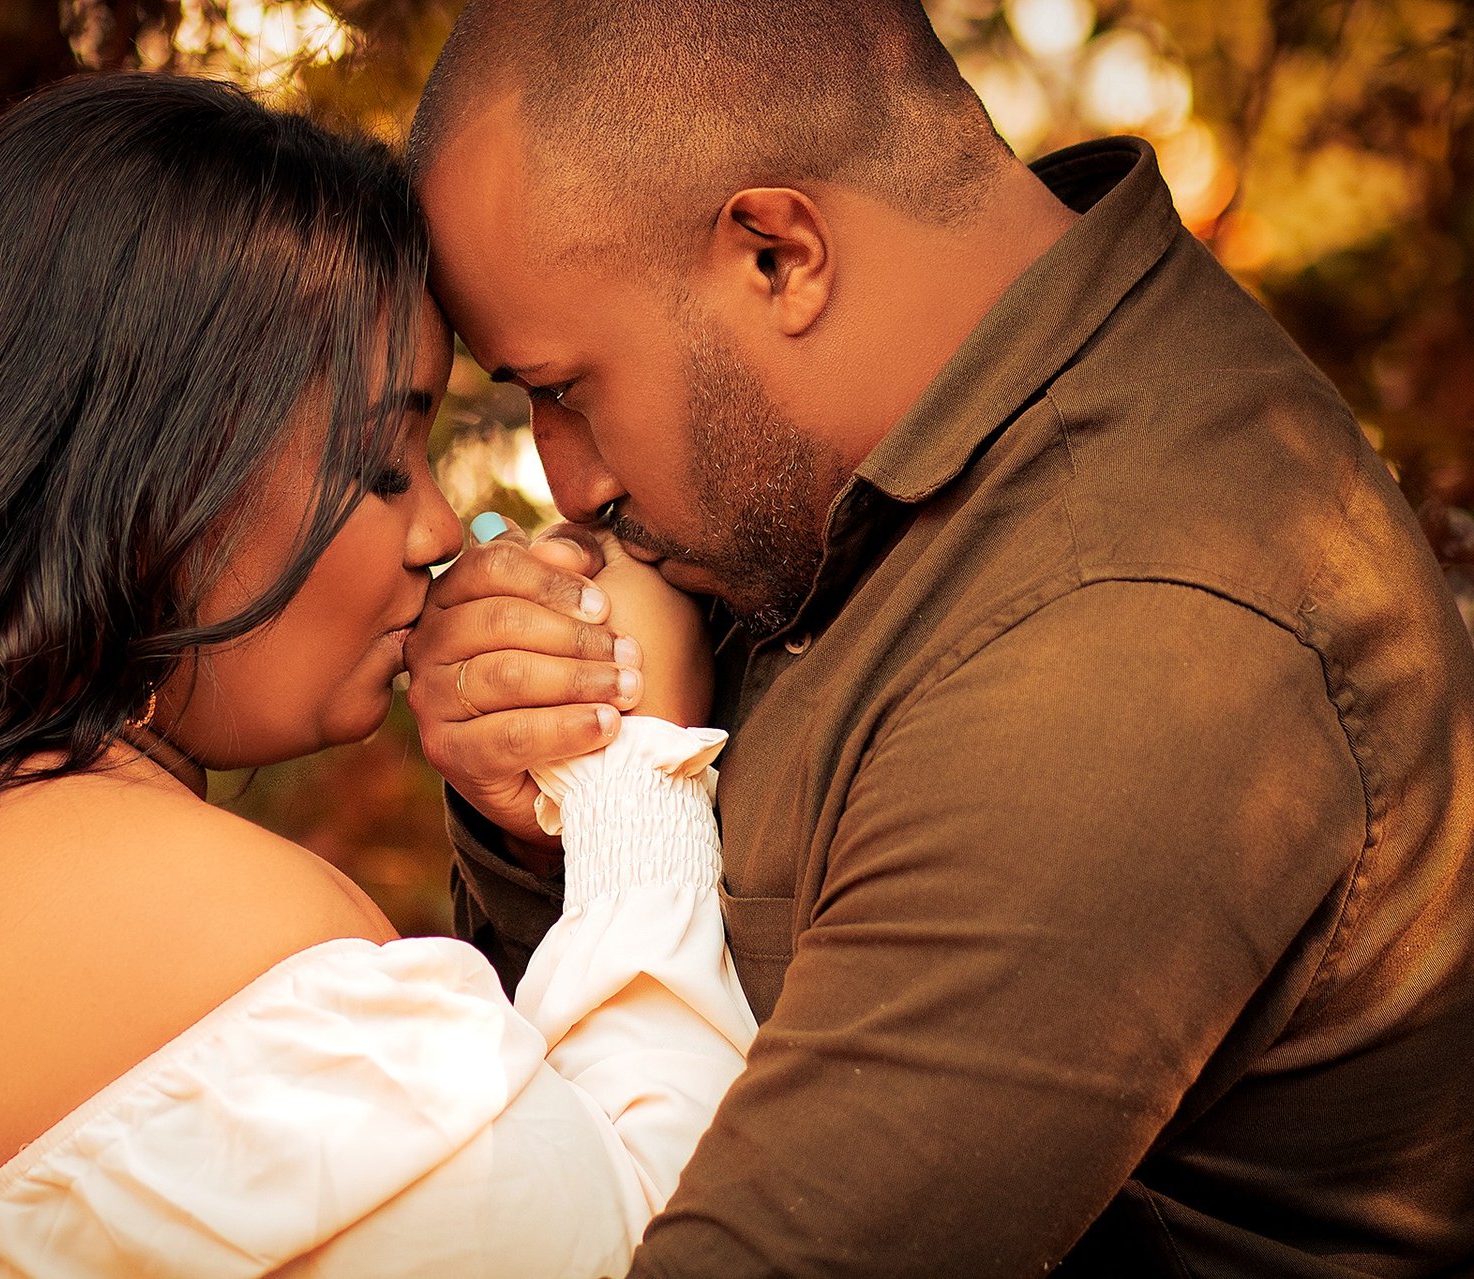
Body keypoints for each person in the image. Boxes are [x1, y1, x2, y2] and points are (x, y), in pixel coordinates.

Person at [0, 72, 758, 1279]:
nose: (442, 529)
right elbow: (672, 1245)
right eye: (381, 460)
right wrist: (627, 760)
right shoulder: (211, 930)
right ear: (163, 475)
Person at [402, 2, 1474, 1275]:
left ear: (777, 256)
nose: (568, 483)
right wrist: (551, 803)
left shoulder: (1122, 637)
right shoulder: (834, 483)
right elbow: (582, 1130)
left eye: (567, 390)